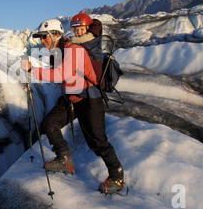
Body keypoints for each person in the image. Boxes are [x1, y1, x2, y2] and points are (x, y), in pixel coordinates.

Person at [21, 17, 125, 194]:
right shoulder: (59, 51)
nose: (42, 41)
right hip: (72, 99)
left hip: (89, 100)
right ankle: (65, 159)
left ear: (56, 35)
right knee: (49, 125)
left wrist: (33, 70)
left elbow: (62, 74)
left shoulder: (74, 50)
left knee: (98, 142)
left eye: (45, 37)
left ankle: (117, 176)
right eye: (40, 37)